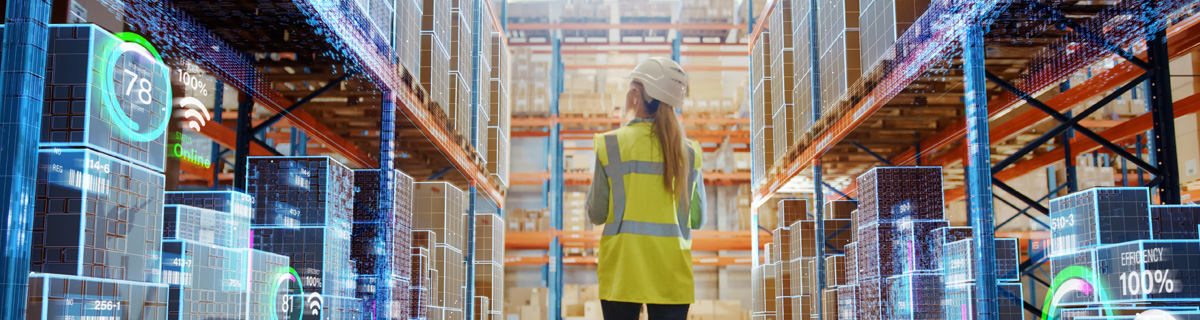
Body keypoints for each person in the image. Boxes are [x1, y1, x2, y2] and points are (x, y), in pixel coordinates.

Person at [585, 57, 707, 320]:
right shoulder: (688, 152)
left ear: (637, 95)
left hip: (622, 272)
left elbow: (596, 213)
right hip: (671, 274)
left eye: (630, 88)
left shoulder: (611, 145)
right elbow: (697, 219)